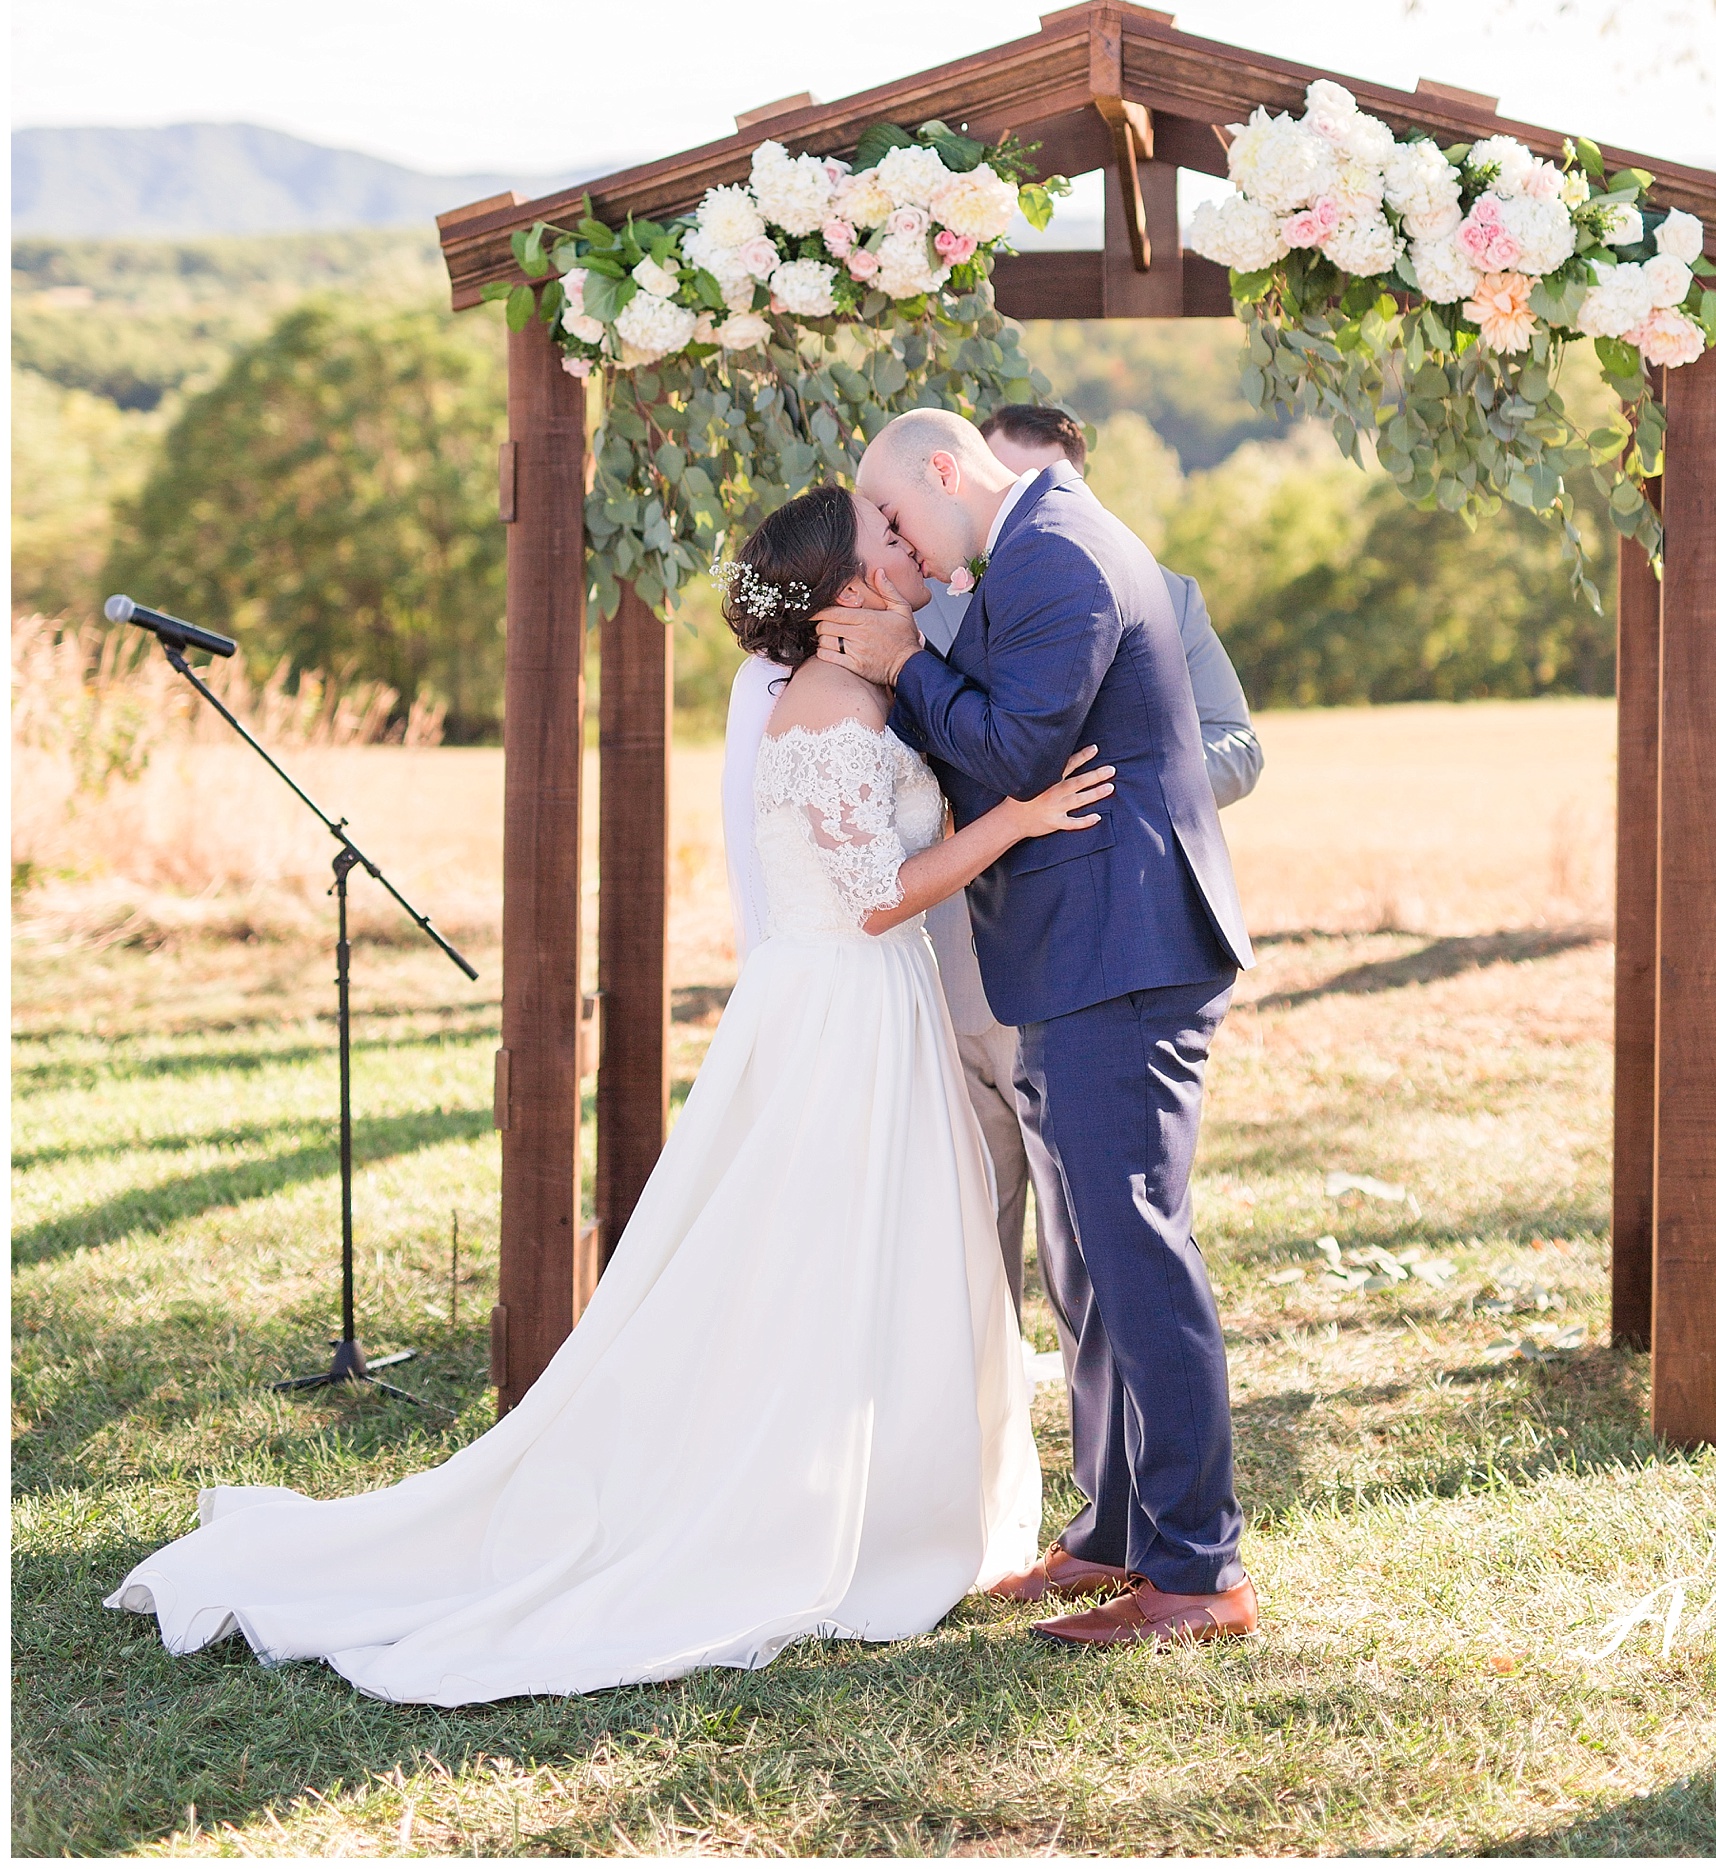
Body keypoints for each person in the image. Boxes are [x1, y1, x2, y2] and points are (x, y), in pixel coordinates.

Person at [106, 486, 1117, 1705]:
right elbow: (876, 893)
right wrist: (1020, 815)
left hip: (868, 1002)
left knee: (890, 1251)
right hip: (842, 1007)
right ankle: (816, 1515)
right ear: (846, 588)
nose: (910, 546)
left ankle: (899, 1497)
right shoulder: (827, 708)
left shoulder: (875, 686)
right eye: (886, 539)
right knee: (822, 1256)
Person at [822, 409, 1259, 1652]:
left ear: (945, 470)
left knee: (1134, 1248)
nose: (901, 544)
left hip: (1123, 948)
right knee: (1096, 1256)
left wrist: (905, 664)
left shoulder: (1059, 554)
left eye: (899, 518)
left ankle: (1199, 1573)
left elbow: (1016, 751)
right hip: (1088, 946)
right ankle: (1121, 1530)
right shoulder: (1037, 546)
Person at [916, 402, 1261, 1358]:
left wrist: (1120, 779)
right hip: (950, 954)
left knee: (1092, 1243)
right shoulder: (923, 599)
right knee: (959, 1230)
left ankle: (1105, 1478)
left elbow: (1234, 743)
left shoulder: (1151, 585)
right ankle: (976, 1452)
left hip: (1093, 937)